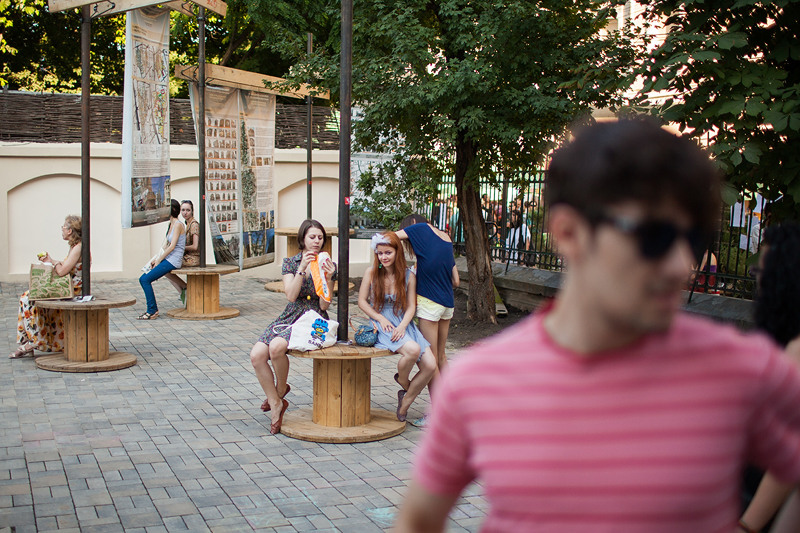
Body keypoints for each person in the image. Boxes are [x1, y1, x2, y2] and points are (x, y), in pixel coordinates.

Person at [395, 119, 800, 532]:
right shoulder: (480, 382)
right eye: (655, 236)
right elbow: (417, 521)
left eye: (693, 240)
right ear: (569, 233)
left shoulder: (743, 370)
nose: (682, 265)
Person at [738, 223, 800, 533]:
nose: (757, 280)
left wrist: (747, 526)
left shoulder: (797, 348)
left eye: (763, 272)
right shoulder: (782, 340)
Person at [250, 220, 336, 435]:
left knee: (277, 347)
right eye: (312, 237)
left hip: (314, 317)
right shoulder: (291, 262)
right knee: (257, 355)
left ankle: (279, 391)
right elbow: (290, 295)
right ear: (303, 239)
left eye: (320, 238)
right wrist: (302, 268)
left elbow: (325, 304)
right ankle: (276, 401)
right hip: (291, 314)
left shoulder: (327, 263)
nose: (316, 242)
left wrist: (329, 277)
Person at [357, 232, 437, 422]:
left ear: (397, 252)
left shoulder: (409, 275)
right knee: (413, 350)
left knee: (431, 365)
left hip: (402, 320)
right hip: (382, 321)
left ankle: (406, 400)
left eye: (388, 253)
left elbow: (411, 307)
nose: (383, 257)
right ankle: (402, 380)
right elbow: (362, 301)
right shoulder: (371, 272)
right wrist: (379, 319)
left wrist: (402, 326)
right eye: (380, 253)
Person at [396, 214, 460, 426]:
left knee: (430, 361)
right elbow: (456, 281)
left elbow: (388, 238)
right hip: (447, 304)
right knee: (441, 356)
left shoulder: (419, 228)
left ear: (412, 225)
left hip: (429, 304)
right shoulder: (446, 238)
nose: (409, 242)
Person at [11, 215, 84, 358]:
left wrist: (52, 262)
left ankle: (33, 342)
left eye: (63, 227)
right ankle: (29, 341)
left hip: (72, 289)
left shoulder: (78, 248)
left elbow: (63, 271)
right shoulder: (75, 247)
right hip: (67, 286)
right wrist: (51, 261)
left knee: (28, 298)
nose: (62, 229)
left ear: (69, 231)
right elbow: (65, 267)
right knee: (28, 296)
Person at [137, 199, 185, 320]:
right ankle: (186, 288)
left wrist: (159, 261)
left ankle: (152, 310)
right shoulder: (171, 224)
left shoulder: (178, 225)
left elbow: (172, 246)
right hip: (168, 258)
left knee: (144, 280)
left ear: (172, 210)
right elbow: (166, 245)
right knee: (145, 278)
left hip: (174, 260)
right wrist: (156, 258)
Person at [164, 200, 200, 304]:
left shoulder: (194, 225)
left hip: (193, 258)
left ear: (192, 211)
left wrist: (179, 247)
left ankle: (185, 290)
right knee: (165, 268)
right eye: (183, 210)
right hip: (186, 255)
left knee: (166, 268)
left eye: (188, 210)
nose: (185, 212)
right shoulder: (185, 224)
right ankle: (183, 292)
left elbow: (195, 246)